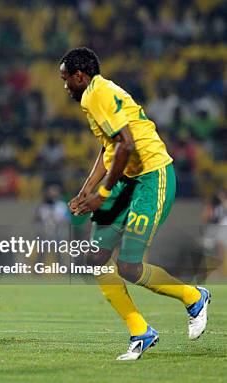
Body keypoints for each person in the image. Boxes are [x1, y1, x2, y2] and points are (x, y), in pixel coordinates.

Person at [60, 47, 210, 360]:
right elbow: (109, 149)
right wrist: (86, 189)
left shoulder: (97, 95)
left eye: (66, 80)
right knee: (96, 258)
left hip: (151, 177)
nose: (65, 87)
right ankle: (140, 331)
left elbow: (126, 145)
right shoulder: (96, 96)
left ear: (79, 76)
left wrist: (101, 194)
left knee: (128, 266)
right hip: (127, 179)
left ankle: (193, 297)